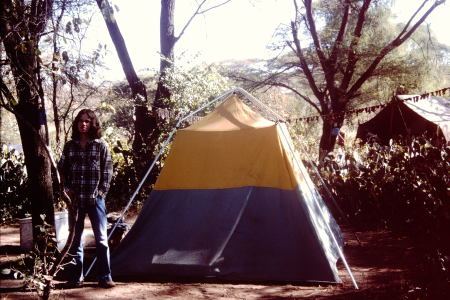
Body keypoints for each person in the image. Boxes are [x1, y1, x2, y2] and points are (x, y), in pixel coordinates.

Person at [58, 109, 115, 288]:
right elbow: (62, 171)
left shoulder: (100, 146)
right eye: (80, 121)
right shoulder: (69, 146)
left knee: (101, 239)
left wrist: (100, 193)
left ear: (92, 124)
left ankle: (105, 277)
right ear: (76, 124)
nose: (83, 124)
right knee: (75, 239)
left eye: (87, 121)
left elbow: (107, 171)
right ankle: (76, 277)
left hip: (95, 199)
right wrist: (66, 189)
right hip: (75, 200)